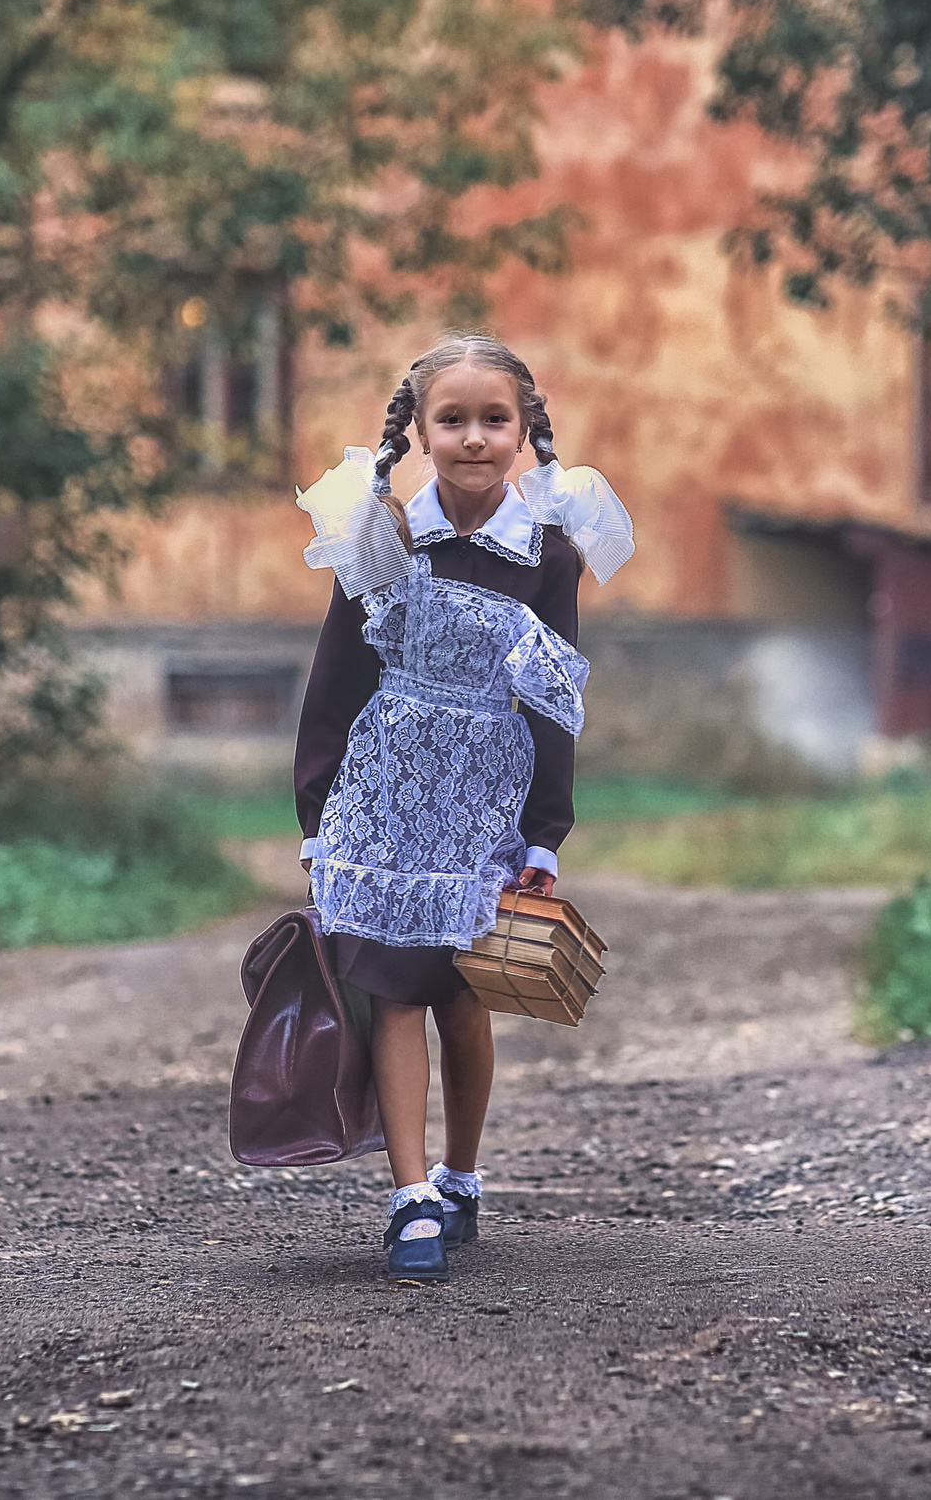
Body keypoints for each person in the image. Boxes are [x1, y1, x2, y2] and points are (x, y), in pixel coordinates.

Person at [291, 334, 635, 1281]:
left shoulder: (548, 556)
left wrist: (544, 836)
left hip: (486, 794)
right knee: (392, 987)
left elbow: (555, 699)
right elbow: (335, 680)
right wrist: (319, 818)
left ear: (526, 433)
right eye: (454, 420)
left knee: (459, 994)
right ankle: (410, 1200)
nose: (475, 438)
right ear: (421, 431)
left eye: (495, 420)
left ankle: (462, 1171)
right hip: (384, 792)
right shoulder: (380, 536)